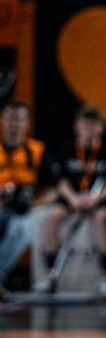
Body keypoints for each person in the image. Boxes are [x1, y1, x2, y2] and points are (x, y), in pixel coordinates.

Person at [39, 105, 106, 295]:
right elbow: (61, 182)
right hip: (72, 197)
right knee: (53, 216)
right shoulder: (67, 148)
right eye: (86, 125)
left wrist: (95, 198)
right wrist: (73, 199)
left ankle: (105, 275)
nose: (89, 130)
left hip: (95, 199)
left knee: (102, 219)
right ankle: (49, 273)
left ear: (101, 128)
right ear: (77, 126)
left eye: (94, 126)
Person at [0, 101, 47, 296]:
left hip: (26, 210)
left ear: (27, 123)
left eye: (19, 119)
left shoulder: (37, 151)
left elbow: (55, 188)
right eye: (9, 118)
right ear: (2, 120)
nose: (14, 124)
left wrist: (35, 203)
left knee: (23, 228)